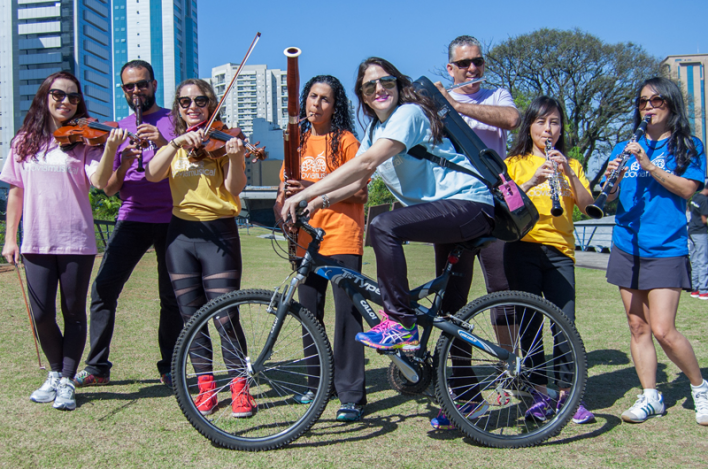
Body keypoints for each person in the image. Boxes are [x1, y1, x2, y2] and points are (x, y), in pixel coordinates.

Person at [281, 57, 494, 359]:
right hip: (444, 214)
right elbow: (357, 182)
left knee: (383, 225)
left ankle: (399, 322)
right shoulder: (374, 132)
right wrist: (317, 202)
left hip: (469, 204)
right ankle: (464, 399)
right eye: (370, 85)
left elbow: (364, 162)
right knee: (450, 316)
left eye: (386, 81)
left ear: (398, 84)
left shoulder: (408, 114)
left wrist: (303, 193)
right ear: (362, 95)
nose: (379, 88)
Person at [1, 71, 123, 410]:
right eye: (58, 94)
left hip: (76, 240)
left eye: (72, 97)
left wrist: (111, 146)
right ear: (45, 96)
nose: (66, 102)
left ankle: (68, 379)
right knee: (41, 314)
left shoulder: (85, 143)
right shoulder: (24, 141)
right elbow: (16, 192)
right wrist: (10, 239)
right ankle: (55, 372)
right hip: (35, 240)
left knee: (73, 312)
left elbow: (99, 182)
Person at [145, 78, 255, 418]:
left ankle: (239, 387)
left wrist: (235, 158)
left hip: (218, 232)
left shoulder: (223, 140)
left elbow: (234, 188)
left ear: (211, 103)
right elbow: (152, 173)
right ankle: (206, 386)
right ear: (177, 107)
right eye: (184, 102)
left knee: (224, 315)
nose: (193, 107)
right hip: (180, 235)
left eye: (200, 100)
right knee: (190, 317)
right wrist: (174, 142)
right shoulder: (174, 144)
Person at [604, 76, 708, 426]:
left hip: (665, 246)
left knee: (663, 329)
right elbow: (612, 199)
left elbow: (688, 190)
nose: (648, 107)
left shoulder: (688, 145)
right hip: (626, 244)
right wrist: (612, 181)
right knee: (637, 327)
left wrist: (648, 165)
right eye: (642, 101)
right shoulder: (624, 146)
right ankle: (651, 396)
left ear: (672, 104)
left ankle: (699, 388)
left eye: (657, 100)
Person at [429, 34, 520, 430]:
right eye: (463, 64)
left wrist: (456, 104)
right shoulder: (436, 101)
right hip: (451, 208)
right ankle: (463, 395)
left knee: (504, 295)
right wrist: (430, 104)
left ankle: (521, 376)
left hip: (495, 208)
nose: (472, 69)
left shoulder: (497, 95)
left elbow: (512, 120)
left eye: (477, 62)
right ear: (450, 68)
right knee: (453, 302)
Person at [75, 60, 183, 388]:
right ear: (123, 90)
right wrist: (121, 162)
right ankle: (98, 368)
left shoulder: (175, 121)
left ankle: (170, 367)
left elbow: (192, 167)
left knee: (170, 296)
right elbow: (107, 187)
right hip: (132, 216)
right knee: (104, 288)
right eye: (129, 87)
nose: (136, 91)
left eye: (141, 84)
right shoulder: (117, 128)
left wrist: (163, 144)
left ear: (153, 84)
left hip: (171, 217)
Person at [273, 75, 367, 421]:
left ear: (335, 105)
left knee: (347, 318)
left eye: (325, 99)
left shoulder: (346, 140)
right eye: (312, 96)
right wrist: (283, 211)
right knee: (309, 316)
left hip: (341, 237)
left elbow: (359, 190)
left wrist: (309, 187)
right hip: (305, 241)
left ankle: (352, 395)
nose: (316, 104)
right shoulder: (294, 143)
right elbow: (284, 193)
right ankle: (318, 385)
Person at [503, 96, 595, 424]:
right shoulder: (514, 163)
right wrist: (531, 182)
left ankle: (568, 396)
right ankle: (539, 394)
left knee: (564, 325)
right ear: (529, 126)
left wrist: (568, 172)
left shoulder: (572, 164)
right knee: (529, 325)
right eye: (541, 121)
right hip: (522, 249)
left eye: (554, 122)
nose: (548, 129)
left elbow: (587, 206)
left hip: (560, 253)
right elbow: (504, 205)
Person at [687, 184, 708, 299]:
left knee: (694, 260)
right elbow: (704, 219)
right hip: (701, 232)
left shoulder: (695, 197)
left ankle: (695, 288)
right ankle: (704, 290)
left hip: (691, 230)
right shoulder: (704, 200)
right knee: (703, 260)